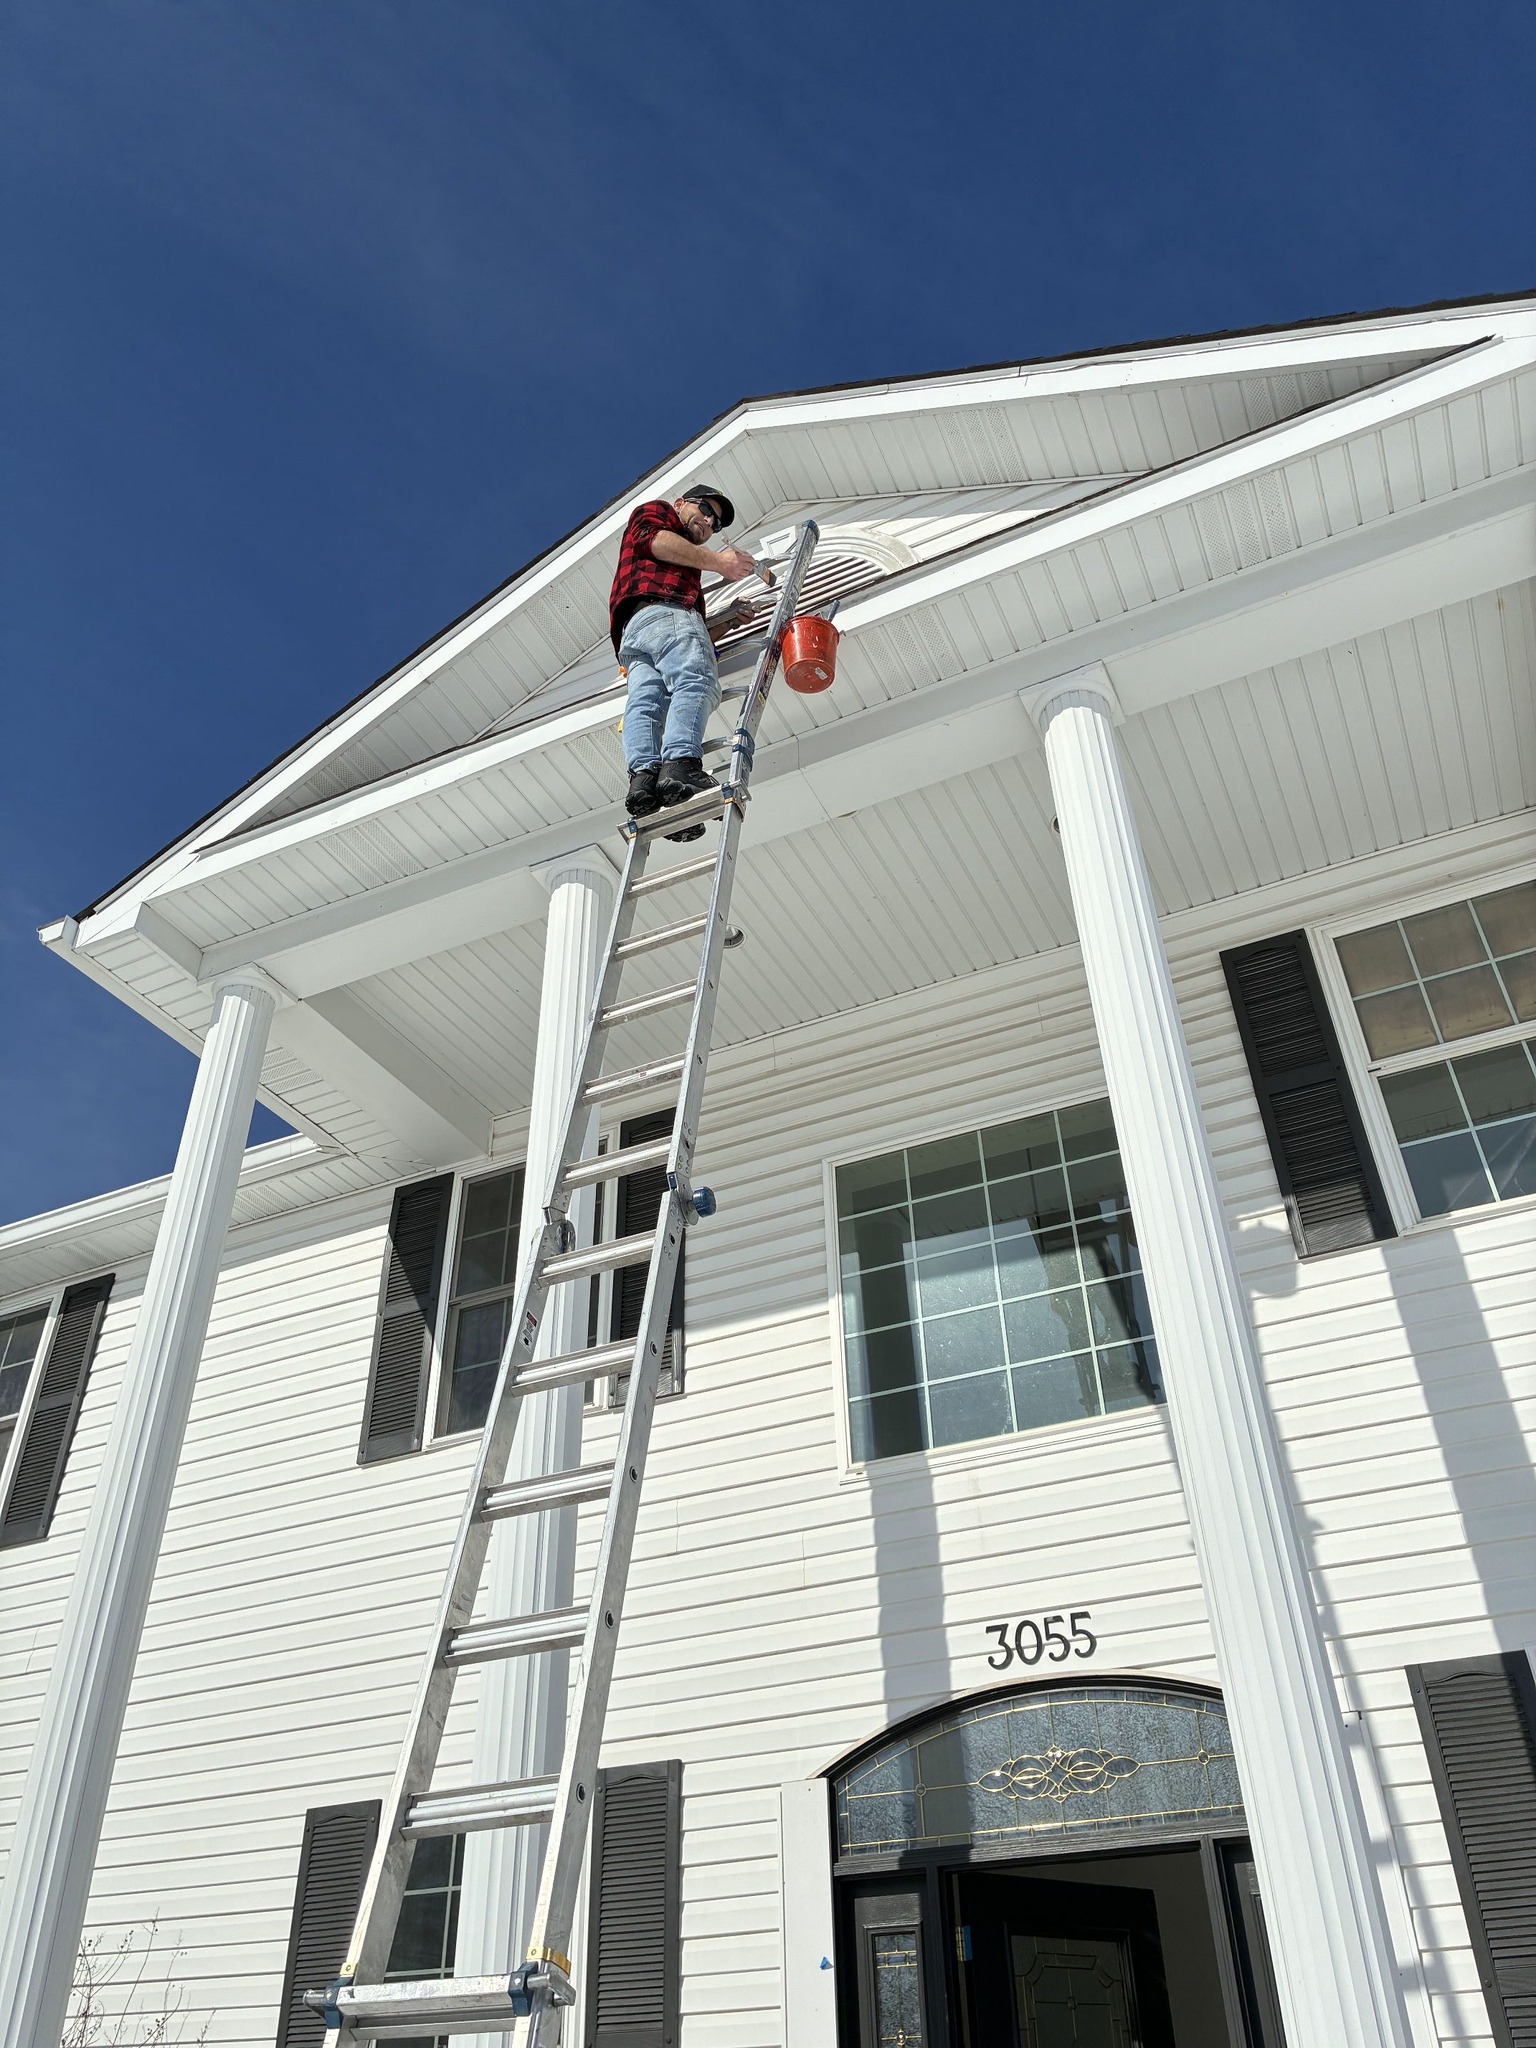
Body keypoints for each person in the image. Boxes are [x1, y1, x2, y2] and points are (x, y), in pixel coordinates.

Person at [608, 485, 758, 825]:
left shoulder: (680, 569)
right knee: (698, 680)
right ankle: (680, 765)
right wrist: (720, 562)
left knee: (646, 703)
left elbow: (689, 635)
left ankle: (644, 779)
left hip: (635, 632)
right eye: (704, 509)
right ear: (680, 504)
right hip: (666, 616)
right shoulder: (659, 513)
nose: (708, 521)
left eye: (716, 524)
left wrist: (729, 620)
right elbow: (655, 541)